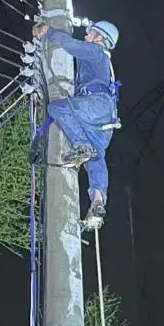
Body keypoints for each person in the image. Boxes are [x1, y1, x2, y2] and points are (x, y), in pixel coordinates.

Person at [32, 19, 121, 229]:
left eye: (91, 34)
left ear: (100, 38)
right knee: (95, 158)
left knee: (57, 108)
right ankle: (98, 201)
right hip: (105, 119)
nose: (87, 36)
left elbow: (71, 44)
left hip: (96, 104)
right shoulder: (102, 61)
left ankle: (81, 145)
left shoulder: (95, 51)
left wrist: (49, 32)